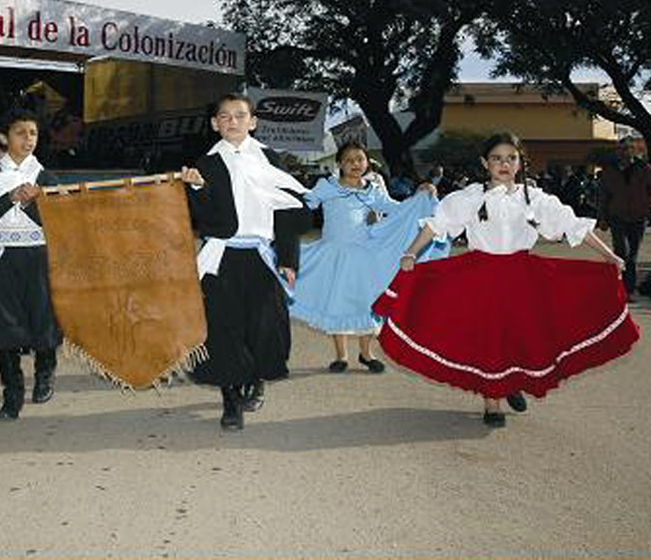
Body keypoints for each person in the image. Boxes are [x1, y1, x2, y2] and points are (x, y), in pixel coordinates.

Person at [374, 132, 638, 428]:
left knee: (520, 333)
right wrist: (411, 253)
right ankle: (492, 401)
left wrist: (609, 256)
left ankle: (511, 382)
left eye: (511, 158)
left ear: (520, 162)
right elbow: (436, 226)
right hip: (480, 276)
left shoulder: (534, 198)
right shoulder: (471, 197)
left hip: (523, 278)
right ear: (485, 163)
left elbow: (571, 225)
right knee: (488, 335)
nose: (504, 164)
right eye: (497, 158)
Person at [180, 93, 311, 431]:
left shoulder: (270, 159)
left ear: (253, 121)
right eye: (225, 116)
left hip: (261, 256)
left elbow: (287, 211)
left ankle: (254, 378)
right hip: (222, 256)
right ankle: (231, 399)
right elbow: (202, 218)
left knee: (263, 326)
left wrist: (288, 258)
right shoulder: (204, 164)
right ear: (215, 124)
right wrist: (196, 190)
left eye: (240, 115)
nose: (232, 121)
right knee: (222, 328)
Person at [290, 141, 448, 373]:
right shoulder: (328, 186)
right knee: (337, 300)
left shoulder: (372, 189)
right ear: (340, 164)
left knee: (367, 302)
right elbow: (306, 203)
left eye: (360, 159)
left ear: (367, 162)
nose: (355, 164)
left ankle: (366, 353)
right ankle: (341, 356)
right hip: (333, 253)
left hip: (364, 254)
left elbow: (396, 209)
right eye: (349, 160)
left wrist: (420, 197)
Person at [0, 109, 61, 421]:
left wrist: (34, 202)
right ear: (5, 137)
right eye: (21, 133)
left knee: (43, 320)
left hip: (39, 258)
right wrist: (10, 197)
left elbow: (59, 223)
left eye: (33, 133)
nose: (28, 139)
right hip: (4, 259)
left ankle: (45, 371)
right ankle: (12, 394)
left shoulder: (46, 178)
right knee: (5, 328)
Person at [597, 137, 651, 297]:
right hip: (617, 216)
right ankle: (619, 288)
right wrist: (602, 218)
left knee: (632, 256)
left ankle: (628, 290)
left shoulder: (645, 169)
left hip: (638, 217)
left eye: (628, 148)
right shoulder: (609, 170)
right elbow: (603, 196)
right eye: (621, 149)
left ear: (634, 150)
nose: (624, 151)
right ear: (617, 151)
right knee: (621, 252)